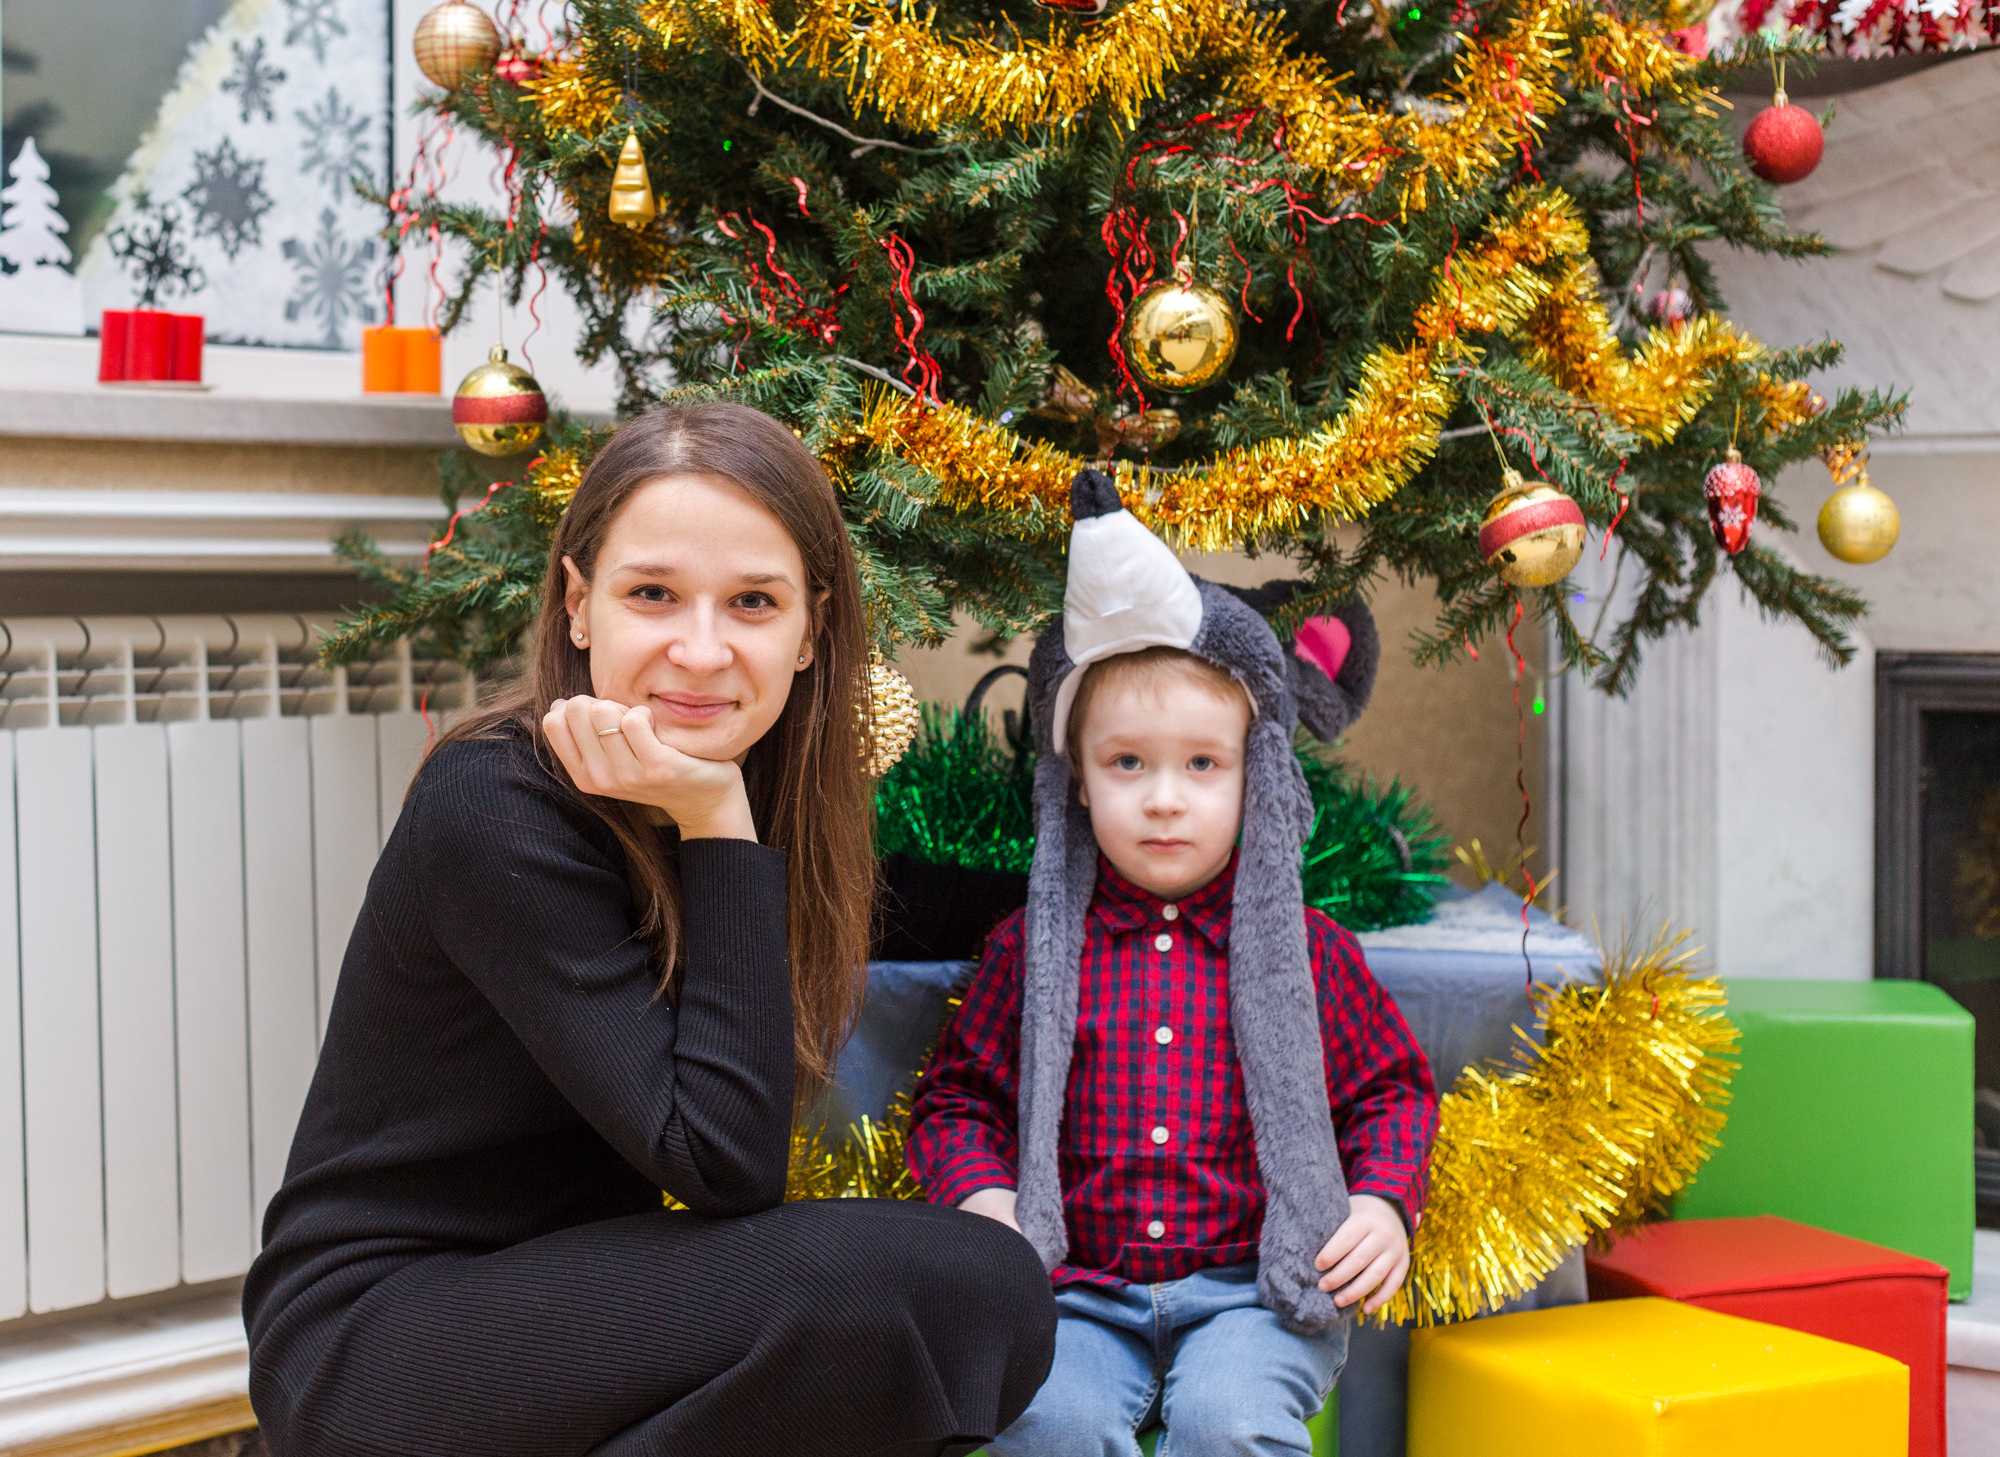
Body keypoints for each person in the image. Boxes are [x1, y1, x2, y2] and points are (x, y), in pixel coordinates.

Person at [245, 403, 1054, 1457]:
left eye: (753, 601)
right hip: (380, 1342)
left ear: (811, 628)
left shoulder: (751, 783)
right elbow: (718, 1163)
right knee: (947, 1280)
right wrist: (717, 821)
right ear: (580, 607)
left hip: (580, 1307)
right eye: (652, 594)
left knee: (976, 1296)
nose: (702, 647)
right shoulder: (494, 802)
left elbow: (906, 903)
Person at [907, 472, 1437, 1456]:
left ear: (1254, 776)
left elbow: (1391, 1094)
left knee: (1225, 1421)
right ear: (1073, 782)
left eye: (1201, 765)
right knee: (1050, 1426)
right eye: (1126, 764)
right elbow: (956, 1100)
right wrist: (983, 1201)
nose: (1163, 800)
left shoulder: (1306, 952)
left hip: (1252, 1292)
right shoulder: (1031, 949)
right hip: (1077, 1297)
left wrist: (1381, 1201)